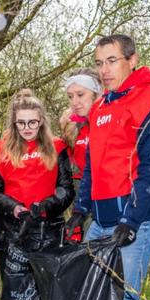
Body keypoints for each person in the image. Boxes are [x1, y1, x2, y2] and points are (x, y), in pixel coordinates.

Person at [64, 34, 150, 300]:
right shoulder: (99, 107)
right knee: (94, 294)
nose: (105, 70)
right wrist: (80, 210)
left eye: (112, 61)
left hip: (136, 221)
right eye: (100, 63)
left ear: (132, 60)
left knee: (127, 299)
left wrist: (131, 220)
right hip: (100, 221)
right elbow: (92, 167)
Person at [0, 90, 73, 300]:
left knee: (47, 286)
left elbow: (66, 189)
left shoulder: (57, 147)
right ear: (14, 123)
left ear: (41, 122)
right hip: (13, 228)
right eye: (21, 123)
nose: (27, 129)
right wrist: (14, 208)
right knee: (12, 288)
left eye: (32, 123)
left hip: (48, 226)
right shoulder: (0, 149)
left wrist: (46, 205)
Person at [58, 69, 102, 241]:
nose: (74, 102)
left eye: (80, 94)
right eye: (70, 97)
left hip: (106, 197)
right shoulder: (77, 126)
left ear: (96, 93)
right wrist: (66, 134)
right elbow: (72, 163)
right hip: (82, 195)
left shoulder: (106, 122)